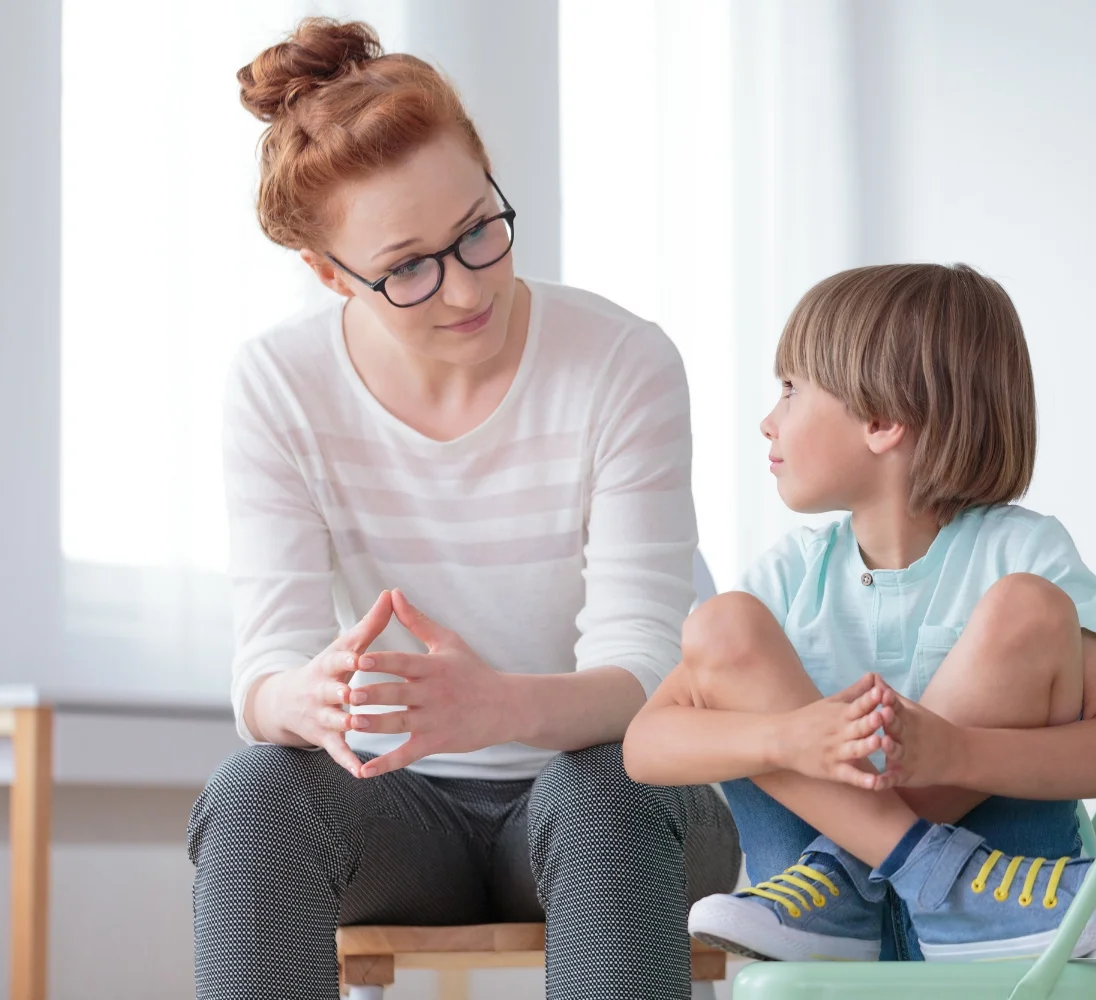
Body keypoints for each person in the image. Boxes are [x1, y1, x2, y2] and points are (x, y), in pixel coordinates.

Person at [186, 18, 739, 1000]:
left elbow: (647, 677)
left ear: (490, 178)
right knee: (256, 790)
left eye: (480, 228)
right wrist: (300, 697)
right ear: (329, 274)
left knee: (605, 786)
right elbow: (263, 674)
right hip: (398, 815)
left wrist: (500, 707)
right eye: (408, 268)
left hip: (608, 798)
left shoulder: (622, 362)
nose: (467, 288)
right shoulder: (278, 384)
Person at [623, 263, 1096, 962]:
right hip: (819, 926)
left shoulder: (1024, 556)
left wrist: (958, 750)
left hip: (1009, 915)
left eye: (791, 390)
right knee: (722, 625)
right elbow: (645, 746)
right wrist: (789, 737)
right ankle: (901, 881)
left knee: (1026, 607)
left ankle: (866, 879)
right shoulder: (788, 578)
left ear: (881, 421)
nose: (769, 420)